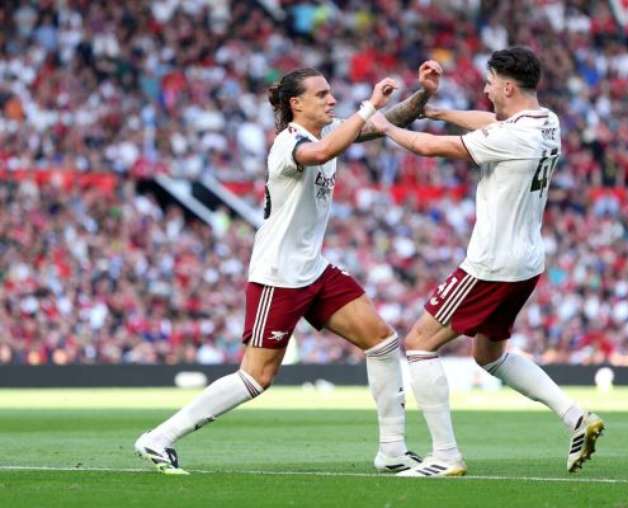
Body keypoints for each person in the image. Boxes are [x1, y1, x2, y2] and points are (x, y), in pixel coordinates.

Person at [135, 61, 444, 475]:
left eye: (331, 93)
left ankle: (392, 451)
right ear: (296, 104)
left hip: (313, 268)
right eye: (322, 94)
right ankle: (159, 438)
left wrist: (424, 93)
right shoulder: (289, 143)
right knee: (256, 377)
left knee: (383, 342)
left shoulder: (330, 131)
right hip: (278, 274)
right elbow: (323, 153)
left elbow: (392, 121)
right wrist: (368, 105)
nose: (332, 99)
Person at [368, 46, 604, 477]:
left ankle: (445, 455)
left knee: (419, 344)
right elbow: (491, 123)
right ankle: (575, 416)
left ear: (508, 87)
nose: (486, 89)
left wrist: (383, 124)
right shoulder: (547, 121)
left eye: (491, 82)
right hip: (527, 263)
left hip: (491, 264)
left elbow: (428, 148)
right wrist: (437, 111)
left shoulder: (513, 137)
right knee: (489, 355)